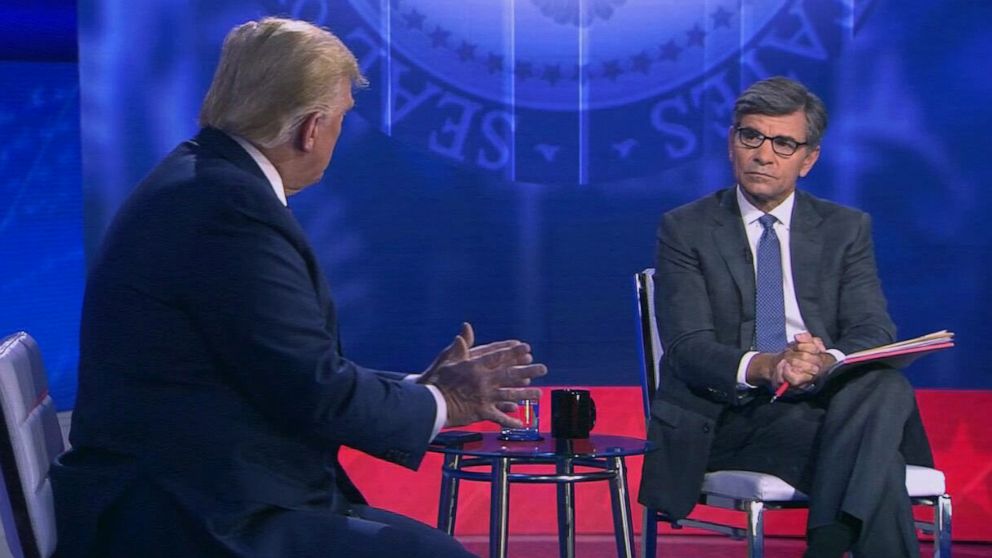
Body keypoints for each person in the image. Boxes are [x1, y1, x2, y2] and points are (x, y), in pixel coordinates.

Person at [52, 17, 546, 558]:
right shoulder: (228, 210)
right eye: (340, 120)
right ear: (311, 128)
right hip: (187, 514)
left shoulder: (206, 182)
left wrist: (415, 389)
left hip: (209, 487)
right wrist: (443, 402)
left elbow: (282, 368)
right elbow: (313, 391)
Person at [638, 76, 934, 558]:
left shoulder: (845, 228)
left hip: (827, 405)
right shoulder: (686, 227)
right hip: (733, 416)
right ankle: (828, 542)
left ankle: (827, 542)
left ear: (808, 159)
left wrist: (823, 361)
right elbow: (689, 348)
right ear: (732, 143)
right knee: (875, 458)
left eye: (783, 143)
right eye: (750, 136)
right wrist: (769, 366)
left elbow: (873, 330)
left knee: (884, 386)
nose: (763, 154)